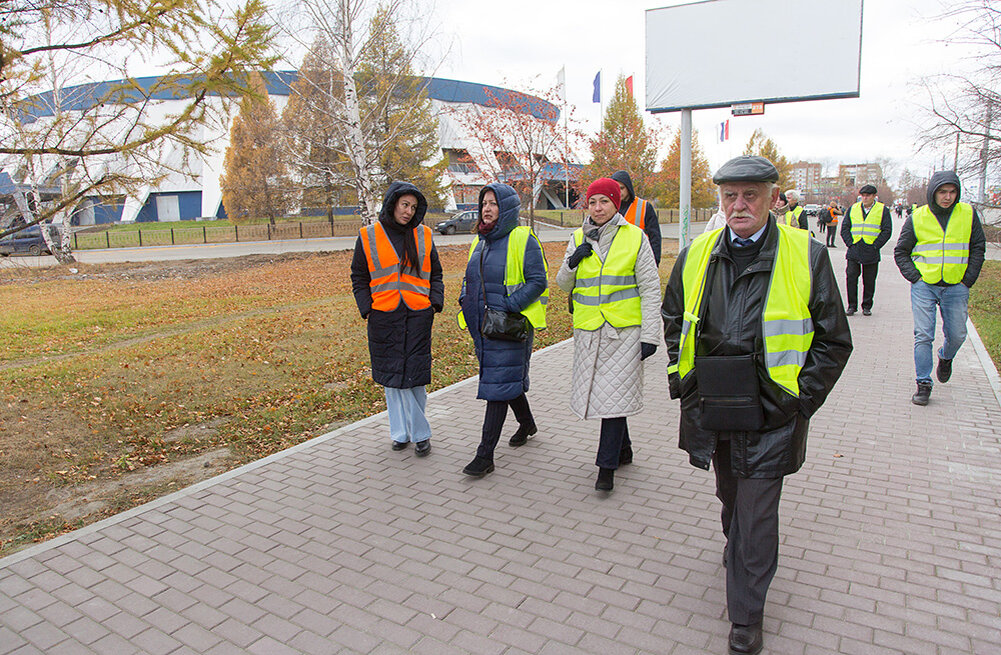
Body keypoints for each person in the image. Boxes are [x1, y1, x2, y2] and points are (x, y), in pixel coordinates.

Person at [662, 156, 852, 655]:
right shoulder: (697, 253)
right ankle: (739, 551)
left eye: (750, 195)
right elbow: (673, 318)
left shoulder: (806, 255)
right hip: (715, 408)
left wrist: (800, 400)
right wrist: (681, 381)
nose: (739, 205)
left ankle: (747, 615)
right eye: (731, 196)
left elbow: (834, 342)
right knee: (731, 498)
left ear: (772, 198)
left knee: (757, 512)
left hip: (774, 413)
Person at [556, 177, 661, 492]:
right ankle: (623, 449)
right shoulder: (578, 237)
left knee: (613, 394)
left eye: (604, 201)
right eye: (592, 202)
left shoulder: (635, 238)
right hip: (589, 333)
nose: (598, 208)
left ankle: (606, 467)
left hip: (624, 333)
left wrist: (650, 336)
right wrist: (573, 263)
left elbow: (651, 289)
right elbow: (563, 284)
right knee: (611, 396)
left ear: (616, 203)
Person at [459, 183, 549, 477]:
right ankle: (527, 423)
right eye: (484, 203)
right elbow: (470, 278)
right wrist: (464, 299)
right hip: (484, 328)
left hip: (509, 328)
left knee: (496, 388)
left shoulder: (523, 239)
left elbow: (538, 281)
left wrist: (510, 305)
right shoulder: (480, 241)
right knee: (504, 381)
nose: (486, 208)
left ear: (507, 208)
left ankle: (485, 455)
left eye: (493, 203)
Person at [351, 181, 444, 456]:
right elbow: (359, 276)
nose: (408, 211)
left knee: (414, 377)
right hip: (383, 315)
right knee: (392, 379)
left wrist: (434, 303)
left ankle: (420, 433)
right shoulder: (368, 235)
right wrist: (367, 308)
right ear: (392, 203)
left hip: (417, 314)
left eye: (413, 207)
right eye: (405, 205)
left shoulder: (424, 235)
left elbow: (436, 273)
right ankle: (402, 433)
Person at [893, 171, 986, 406]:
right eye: (942, 192)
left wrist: (968, 279)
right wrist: (916, 277)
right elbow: (901, 251)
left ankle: (946, 357)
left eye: (952, 192)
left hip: (956, 286)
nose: (947, 197)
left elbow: (978, 247)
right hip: (925, 285)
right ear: (933, 192)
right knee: (923, 335)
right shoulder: (918, 216)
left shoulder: (967, 214)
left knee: (957, 334)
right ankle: (923, 383)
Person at [840, 185, 893, 316]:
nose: (865, 198)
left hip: (871, 249)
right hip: (855, 248)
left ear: (874, 196)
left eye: (868, 195)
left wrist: (876, 245)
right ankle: (852, 306)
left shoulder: (882, 210)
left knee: (869, 280)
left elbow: (887, 230)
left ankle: (867, 306)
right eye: (863, 195)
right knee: (851, 278)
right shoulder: (853, 208)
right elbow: (845, 228)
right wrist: (850, 243)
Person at [611, 170, 662, 265]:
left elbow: (655, 238)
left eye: (622, 188)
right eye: (615, 188)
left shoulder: (644, 207)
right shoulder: (608, 206)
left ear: (628, 188)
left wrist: (655, 262)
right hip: (615, 262)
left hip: (640, 259)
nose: (619, 192)